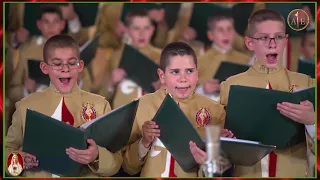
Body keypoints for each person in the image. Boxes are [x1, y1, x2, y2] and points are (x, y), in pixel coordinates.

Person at [5, 35, 122, 177]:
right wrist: (19, 159)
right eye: (57, 63)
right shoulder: (25, 106)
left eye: (72, 63)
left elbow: (116, 163)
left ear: (80, 66)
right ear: (44, 67)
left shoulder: (100, 105)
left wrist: (96, 156)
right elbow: (7, 154)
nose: (65, 69)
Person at [219, 9, 315, 177]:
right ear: (250, 43)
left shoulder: (306, 83)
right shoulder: (232, 85)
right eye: (264, 38)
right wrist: (224, 139)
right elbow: (222, 154)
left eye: (278, 37)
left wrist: (312, 122)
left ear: (285, 41)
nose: (272, 44)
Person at [122, 42, 234, 177]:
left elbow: (221, 170)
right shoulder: (142, 105)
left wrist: (211, 157)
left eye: (189, 71)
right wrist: (144, 142)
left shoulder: (215, 111)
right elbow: (128, 167)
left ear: (197, 73)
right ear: (162, 75)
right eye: (175, 72)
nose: (183, 79)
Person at [94, 8, 162, 109]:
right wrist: (111, 83)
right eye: (136, 28)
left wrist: (161, 91)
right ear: (127, 30)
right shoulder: (116, 57)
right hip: (121, 118)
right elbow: (101, 97)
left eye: (146, 28)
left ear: (152, 29)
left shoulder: (162, 57)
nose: (142, 34)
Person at [196, 12, 251, 100]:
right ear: (211, 35)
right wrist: (202, 89)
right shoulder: (198, 62)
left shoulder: (247, 60)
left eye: (229, 29)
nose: (226, 34)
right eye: (220, 30)